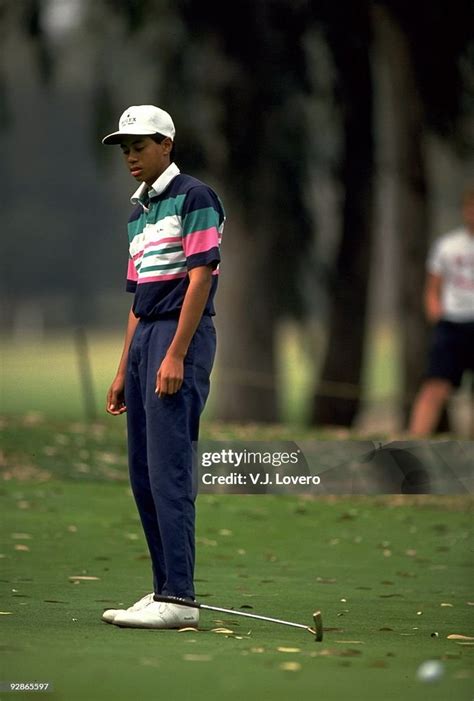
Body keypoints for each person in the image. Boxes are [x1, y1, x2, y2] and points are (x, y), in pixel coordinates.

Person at [100, 105, 224, 628]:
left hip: (182, 334)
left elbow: (201, 278)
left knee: (169, 469)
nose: (131, 155)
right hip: (147, 335)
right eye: (125, 147)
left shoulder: (194, 197)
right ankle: (163, 590)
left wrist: (174, 352)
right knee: (143, 473)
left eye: (141, 144)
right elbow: (137, 299)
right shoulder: (138, 214)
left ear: (166, 144)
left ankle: (180, 598)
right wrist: (123, 368)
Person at [409, 186, 474, 436]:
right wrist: (436, 316)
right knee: (435, 387)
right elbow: (432, 287)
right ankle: (411, 447)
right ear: (464, 210)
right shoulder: (447, 246)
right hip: (452, 325)